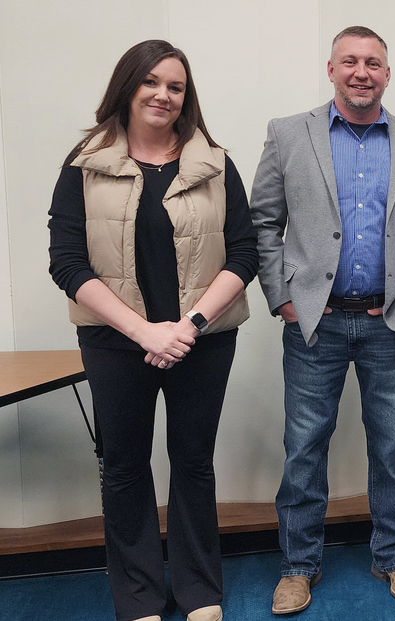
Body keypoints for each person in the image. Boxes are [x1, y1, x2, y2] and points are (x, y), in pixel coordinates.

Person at [47, 40, 257, 621]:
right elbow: (67, 263)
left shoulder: (213, 161)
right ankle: (137, 596)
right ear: (128, 86)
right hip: (116, 342)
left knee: (193, 461)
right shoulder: (85, 162)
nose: (164, 95)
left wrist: (187, 326)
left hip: (203, 339)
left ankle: (198, 592)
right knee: (124, 465)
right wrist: (145, 332)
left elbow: (244, 254)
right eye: (153, 82)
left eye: (177, 86)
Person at [249, 26, 395, 613]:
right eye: (350, 61)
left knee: (393, 447)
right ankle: (298, 567)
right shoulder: (288, 135)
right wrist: (281, 295)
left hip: (389, 326)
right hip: (313, 324)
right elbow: (262, 222)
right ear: (329, 68)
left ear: (388, 73)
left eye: (374, 63)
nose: (362, 72)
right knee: (305, 446)